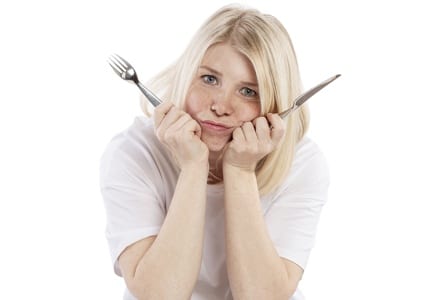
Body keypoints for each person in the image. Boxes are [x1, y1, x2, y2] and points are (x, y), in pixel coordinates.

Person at [100, 4, 329, 300]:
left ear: (276, 104)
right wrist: (194, 167)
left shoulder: (303, 164)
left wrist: (240, 170)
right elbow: (159, 296)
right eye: (209, 79)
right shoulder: (134, 152)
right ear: (186, 76)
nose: (221, 106)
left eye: (248, 91)